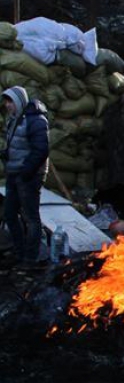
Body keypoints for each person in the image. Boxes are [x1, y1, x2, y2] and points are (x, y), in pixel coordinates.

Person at [1, 86, 50, 268]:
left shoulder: (36, 120)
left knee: (31, 217)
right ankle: (19, 253)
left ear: (19, 101)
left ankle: (30, 259)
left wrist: (26, 172)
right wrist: (6, 154)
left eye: (10, 101)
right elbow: (18, 145)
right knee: (10, 214)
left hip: (29, 176)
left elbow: (41, 150)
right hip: (15, 174)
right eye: (6, 101)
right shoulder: (14, 120)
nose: (7, 105)